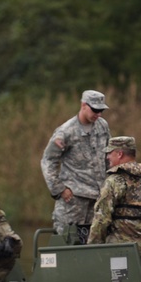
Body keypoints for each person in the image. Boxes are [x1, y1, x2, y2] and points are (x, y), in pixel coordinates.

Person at [87, 136, 141, 282]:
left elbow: (101, 220)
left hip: (120, 252)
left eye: (110, 152)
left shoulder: (114, 181)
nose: (107, 156)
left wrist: (92, 249)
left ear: (119, 154)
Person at [40, 89, 111, 243]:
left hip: (98, 197)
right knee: (68, 241)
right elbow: (48, 161)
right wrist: (59, 189)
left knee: (96, 242)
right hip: (73, 200)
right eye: (95, 110)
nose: (98, 114)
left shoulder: (102, 126)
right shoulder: (66, 132)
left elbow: (108, 156)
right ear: (83, 105)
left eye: (101, 111)